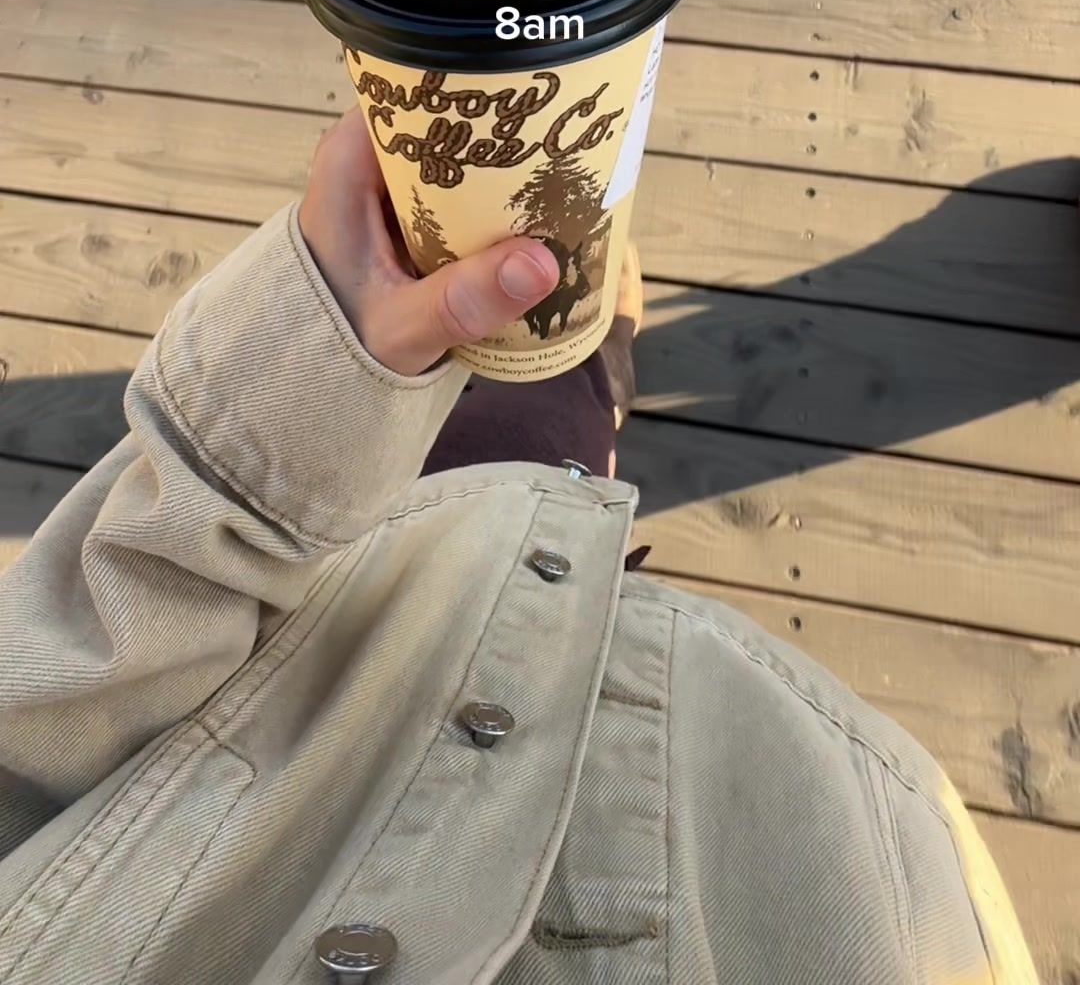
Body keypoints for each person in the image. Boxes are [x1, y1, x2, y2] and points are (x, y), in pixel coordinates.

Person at [0, 112, 1037, 984]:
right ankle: (592, 384)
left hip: (350, 631)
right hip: (757, 746)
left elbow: (37, 736)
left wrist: (295, 386)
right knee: (549, 411)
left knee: (517, 406)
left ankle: (585, 385)